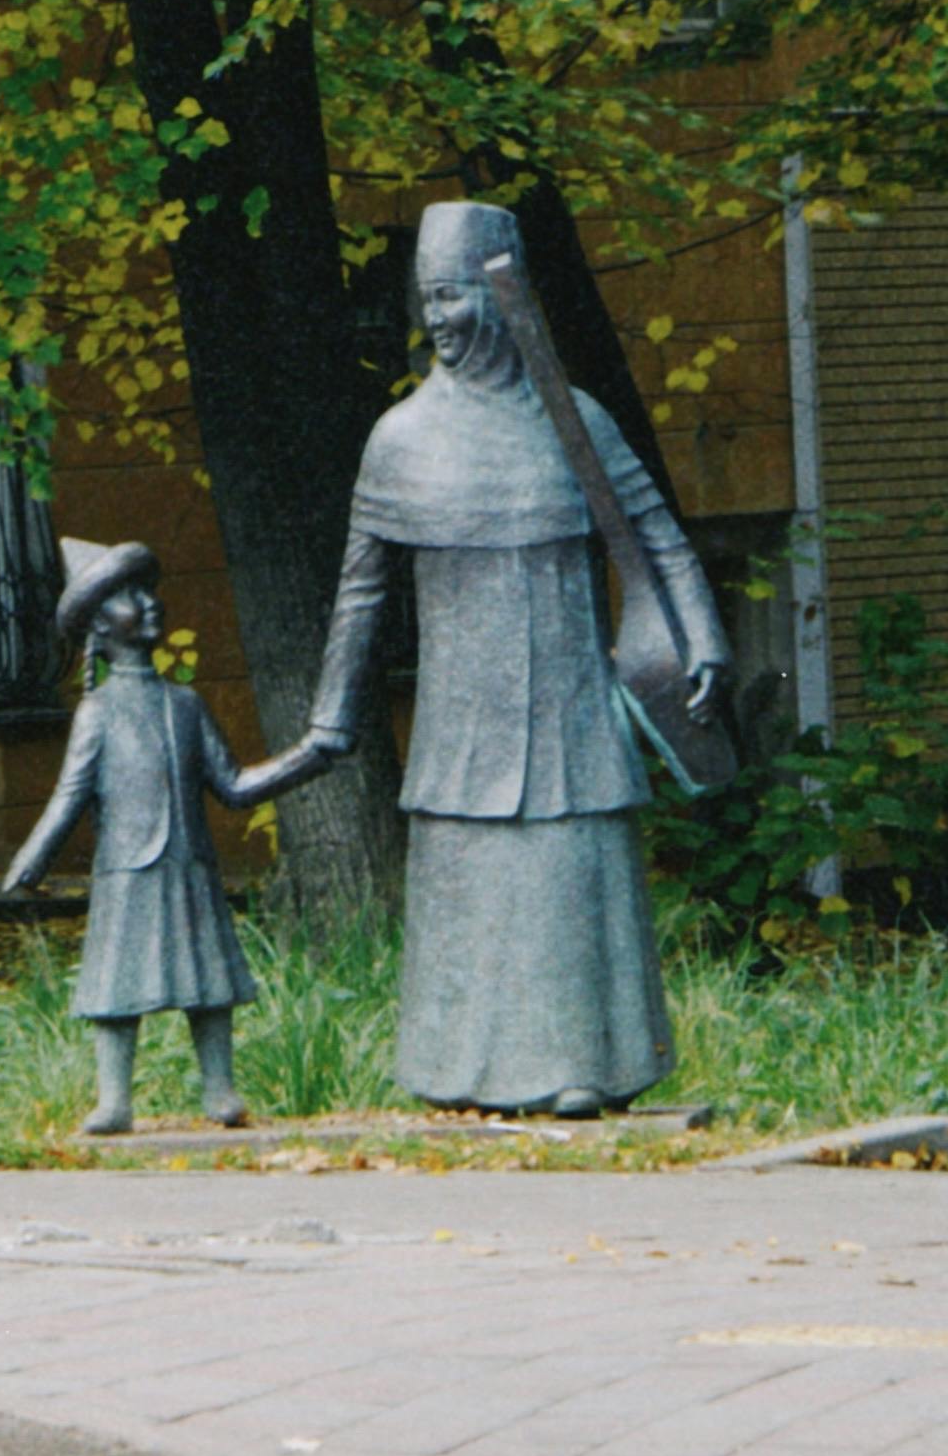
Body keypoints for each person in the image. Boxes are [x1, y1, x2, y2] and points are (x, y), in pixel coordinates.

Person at [304, 200, 728, 1114]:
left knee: (573, 886)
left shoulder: (575, 426)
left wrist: (702, 637)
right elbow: (362, 592)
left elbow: (659, 542)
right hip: (463, 725)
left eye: (454, 297)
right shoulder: (402, 442)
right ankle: (454, 1072)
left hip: (572, 709)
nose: (439, 323)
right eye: (429, 301)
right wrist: (333, 717)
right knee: (475, 894)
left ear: (505, 293)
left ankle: (587, 1068)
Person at [3, 538, 343, 1136]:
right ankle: (115, 1101)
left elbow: (234, 786)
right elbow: (70, 794)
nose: (149, 604)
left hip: (190, 863)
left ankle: (220, 1091)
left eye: (147, 590)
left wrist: (307, 757)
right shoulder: (97, 712)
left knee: (208, 979)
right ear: (99, 630)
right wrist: (33, 858)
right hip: (127, 868)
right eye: (128, 597)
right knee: (113, 984)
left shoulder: (185, 704)